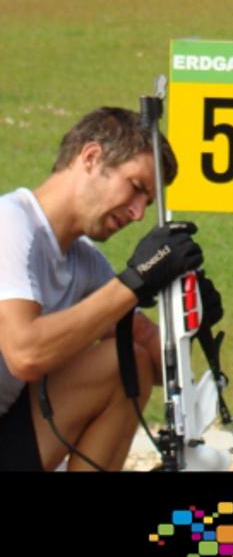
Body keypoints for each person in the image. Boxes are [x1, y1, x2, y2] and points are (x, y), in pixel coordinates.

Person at [0, 107, 204, 471]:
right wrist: (134, 281)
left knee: (128, 363)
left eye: (147, 203)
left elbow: (152, 356)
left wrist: (187, 314)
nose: (139, 213)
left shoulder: (84, 261)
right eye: (137, 188)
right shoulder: (10, 224)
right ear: (91, 158)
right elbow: (25, 353)